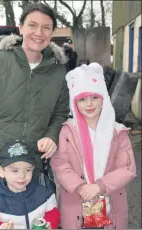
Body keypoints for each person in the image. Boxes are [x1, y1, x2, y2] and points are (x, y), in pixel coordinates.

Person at [0, 2, 69, 220]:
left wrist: (51, 135)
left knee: (31, 221)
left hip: (31, 171)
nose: (38, 33)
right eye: (32, 25)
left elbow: (60, 114)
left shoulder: (58, 72)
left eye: (46, 27)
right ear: (20, 28)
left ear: (52, 32)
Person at [51, 62, 136, 229]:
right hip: (76, 205)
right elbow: (61, 164)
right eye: (82, 99)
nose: (89, 104)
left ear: (103, 97)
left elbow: (127, 168)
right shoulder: (68, 131)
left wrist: (99, 186)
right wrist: (81, 187)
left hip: (110, 206)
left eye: (94, 97)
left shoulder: (118, 132)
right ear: (75, 102)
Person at [0, 140, 60, 229]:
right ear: (2, 171)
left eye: (28, 170)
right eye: (15, 171)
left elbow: (53, 212)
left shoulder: (43, 193)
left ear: (33, 169)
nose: (22, 176)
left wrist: (50, 223)